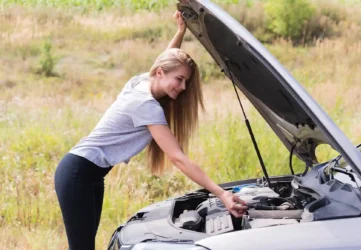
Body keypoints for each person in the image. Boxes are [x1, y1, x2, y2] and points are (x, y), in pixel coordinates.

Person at [54, 11, 248, 250]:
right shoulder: (146, 105)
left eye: (185, 81)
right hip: (78, 175)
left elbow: (164, 64)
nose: (183, 87)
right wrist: (222, 194)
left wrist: (180, 32)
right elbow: (178, 158)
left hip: (89, 175)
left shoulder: (141, 82)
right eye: (179, 79)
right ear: (160, 73)